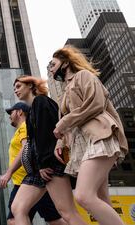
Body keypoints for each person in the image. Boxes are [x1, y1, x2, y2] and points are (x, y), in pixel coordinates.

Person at [50, 46, 128, 225]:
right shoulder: (65, 91)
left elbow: (96, 103)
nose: (51, 68)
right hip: (85, 145)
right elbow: (70, 126)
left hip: (100, 136)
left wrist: (63, 123)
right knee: (102, 201)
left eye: (53, 63)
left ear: (66, 62)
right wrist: (61, 142)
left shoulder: (83, 76)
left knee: (83, 196)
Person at [10, 75, 87, 225]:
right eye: (14, 88)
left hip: (49, 164)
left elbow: (47, 134)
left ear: (31, 86)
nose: (16, 91)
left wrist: (44, 163)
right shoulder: (33, 110)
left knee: (67, 211)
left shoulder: (42, 102)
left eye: (19, 86)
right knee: (18, 208)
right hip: (37, 168)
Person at [0, 102, 66, 225]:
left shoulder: (24, 127)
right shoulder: (21, 129)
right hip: (26, 181)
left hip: (28, 181)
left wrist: (8, 173)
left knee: (14, 220)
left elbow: (26, 149)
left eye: (11, 112)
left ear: (20, 112)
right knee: (54, 220)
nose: (9, 115)